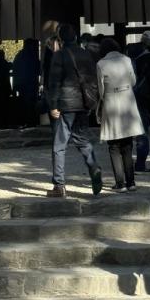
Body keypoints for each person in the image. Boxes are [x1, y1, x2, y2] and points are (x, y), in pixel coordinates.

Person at [46, 23, 103, 198]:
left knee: (59, 145)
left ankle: (59, 185)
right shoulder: (86, 54)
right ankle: (94, 167)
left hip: (65, 104)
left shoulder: (59, 55)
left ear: (61, 40)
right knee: (82, 140)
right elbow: (93, 79)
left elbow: (54, 82)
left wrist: (53, 105)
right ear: (76, 38)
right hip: (83, 103)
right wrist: (92, 102)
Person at [96, 36, 143, 192]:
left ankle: (120, 183)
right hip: (128, 102)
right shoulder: (126, 60)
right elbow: (133, 81)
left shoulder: (101, 64)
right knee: (127, 145)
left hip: (111, 104)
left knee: (114, 146)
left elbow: (101, 90)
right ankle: (131, 182)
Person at [132, 31, 150, 172]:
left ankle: (125, 163)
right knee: (142, 131)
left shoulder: (129, 51)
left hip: (128, 94)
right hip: (142, 97)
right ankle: (140, 163)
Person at [12, 38, 40, 128]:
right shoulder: (33, 55)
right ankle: (32, 121)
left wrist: (15, 85)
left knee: (24, 103)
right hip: (31, 83)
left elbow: (15, 70)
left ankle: (26, 121)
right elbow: (38, 69)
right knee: (32, 103)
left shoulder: (19, 55)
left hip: (22, 84)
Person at [0, 48, 13, 128]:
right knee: (6, 106)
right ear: (3, 55)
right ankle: (5, 123)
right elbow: (12, 66)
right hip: (6, 87)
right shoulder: (7, 64)